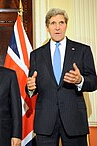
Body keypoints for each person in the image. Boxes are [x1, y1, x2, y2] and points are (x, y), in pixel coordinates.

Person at [26, 8, 97, 146]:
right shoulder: (36, 55)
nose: (57, 27)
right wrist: (30, 88)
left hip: (74, 119)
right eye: (53, 23)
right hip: (45, 121)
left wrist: (80, 80)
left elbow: (94, 81)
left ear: (66, 25)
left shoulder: (83, 50)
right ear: (47, 27)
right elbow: (32, 85)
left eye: (61, 23)